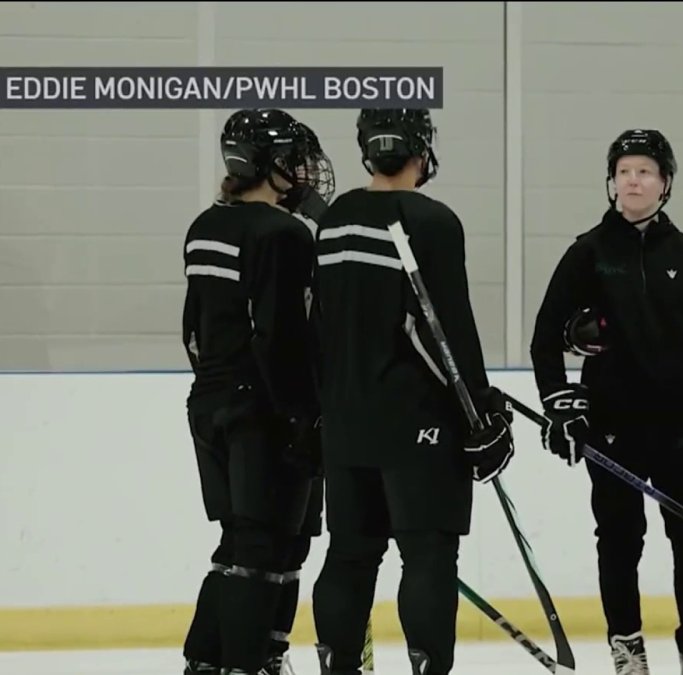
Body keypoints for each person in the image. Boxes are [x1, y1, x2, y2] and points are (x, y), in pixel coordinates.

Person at [529, 128, 683, 675]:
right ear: (611, 183)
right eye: (624, 171)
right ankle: (627, 646)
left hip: (679, 421)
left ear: (664, 183)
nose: (633, 180)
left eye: (645, 171)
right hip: (612, 422)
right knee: (621, 539)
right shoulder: (589, 252)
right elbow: (544, 336)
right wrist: (558, 402)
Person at [308, 107, 515, 675]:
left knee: (351, 554)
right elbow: (440, 328)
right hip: (416, 420)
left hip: (346, 420)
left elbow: (319, 323)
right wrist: (480, 412)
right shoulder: (431, 220)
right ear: (422, 150)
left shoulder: (335, 219)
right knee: (427, 554)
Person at [180, 109, 335, 675]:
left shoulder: (205, 226)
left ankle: (215, 660)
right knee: (264, 549)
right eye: (293, 159)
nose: (302, 170)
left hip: (212, 403)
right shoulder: (282, 234)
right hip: (263, 410)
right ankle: (246, 662)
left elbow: (192, 330)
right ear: (269, 165)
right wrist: (302, 416)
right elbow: (280, 336)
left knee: (252, 543)